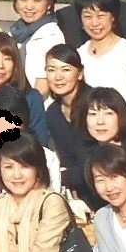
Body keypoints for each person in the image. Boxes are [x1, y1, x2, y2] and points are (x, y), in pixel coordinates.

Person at [72, 0, 126, 123]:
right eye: (88, 16)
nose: (94, 23)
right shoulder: (78, 56)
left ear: (113, 17)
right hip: (91, 129)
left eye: (101, 15)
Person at [38, 46, 91, 188]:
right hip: (79, 189)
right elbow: (67, 161)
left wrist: (58, 176)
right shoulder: (53, 113)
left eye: (66, 69)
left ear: (80, 73)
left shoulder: (95, 105)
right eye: (51, 70)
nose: (58, 77)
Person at [7, 0, 65, 89]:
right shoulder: (13, 31)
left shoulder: (51, 37)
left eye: (37, 0)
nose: (29, 7)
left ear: (49, 3)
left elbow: (43, 87)